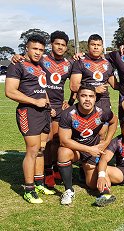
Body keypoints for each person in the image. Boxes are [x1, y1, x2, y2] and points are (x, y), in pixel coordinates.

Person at [11, 31, 74, 188]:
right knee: (43, 144)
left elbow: (76, 82)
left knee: (55, 141)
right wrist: (17, 56)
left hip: (56, 106)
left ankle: (55, 168)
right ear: (51, 45)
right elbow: (26, 62)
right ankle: (46, 173)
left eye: (63, 45)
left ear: (67, 47)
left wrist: (71, 101)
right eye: (57, 44)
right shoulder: (41, 60)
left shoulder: (69, 63)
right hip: (38, 107)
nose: (60, 47)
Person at [5, 34, 55, 203]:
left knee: (41, 149)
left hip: (43, 112)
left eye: (41, 49)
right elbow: (10, 91)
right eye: (34, 49)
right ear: (26, 48)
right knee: (32, 150)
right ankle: (28, 189)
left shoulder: (40, 65)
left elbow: (41, 88)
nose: (38, 52)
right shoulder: (17, 65)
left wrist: (48, 104)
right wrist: (35, 101)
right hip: (28, 112)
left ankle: (39, 183)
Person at [57, 84, 118, 205]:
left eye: (91, 96)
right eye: (84, 96)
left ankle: (85, 172)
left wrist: (106, 141)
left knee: (92, 185)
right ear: (78, 97)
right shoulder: (68, 114)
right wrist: (88, 149)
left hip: (93, 151)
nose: (87, 99)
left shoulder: (102, 112)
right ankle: (69, 190)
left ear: (95, 98)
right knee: (63, 152)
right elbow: (64, 140)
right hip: (76, 150)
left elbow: (114, 121)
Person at [70, 34, 116, 115]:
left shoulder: (108, 63)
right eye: (93, 45)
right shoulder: (80, 62)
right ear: (88, 46)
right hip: (86, 102)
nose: (96, 47)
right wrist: (94, 89)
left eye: (98, 45)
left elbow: (116, 85)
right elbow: (73, 86)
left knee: (108, 124)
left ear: (102, 47)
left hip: (103, 102)